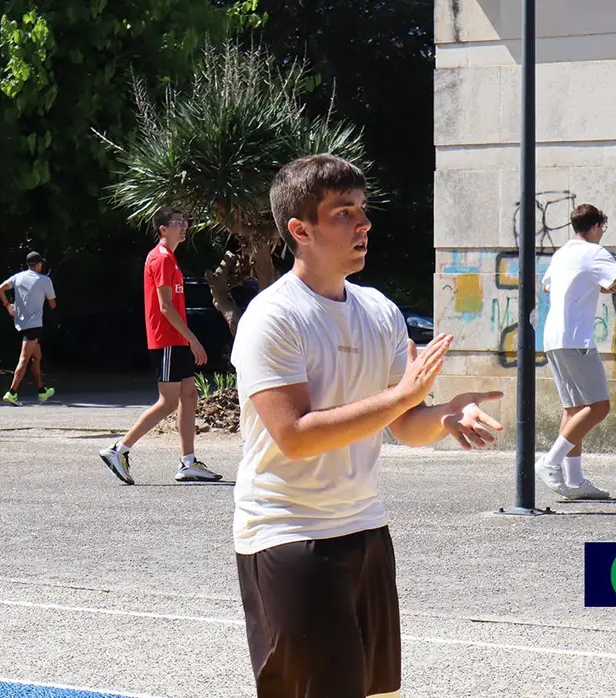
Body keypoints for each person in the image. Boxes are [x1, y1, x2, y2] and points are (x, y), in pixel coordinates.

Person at [229, 154, 504, 698]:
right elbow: (296, 435)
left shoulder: (379, 310)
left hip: (365, 531)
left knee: (379, 695)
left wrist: (445, 416)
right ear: (300, 231)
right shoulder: (273, 316)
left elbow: (402, 424)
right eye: (344, 212)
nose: (364, 223)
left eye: (363, 209)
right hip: (290, 536)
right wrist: (402, 396)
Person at [98, 206, 222, 485]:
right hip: (167, 339)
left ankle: (188, 463)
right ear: (162, 229)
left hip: (176, 340)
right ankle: (118, 450)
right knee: (169, 402)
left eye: (185, 221)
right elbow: (165, 307)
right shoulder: (162, 259)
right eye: (177, 222)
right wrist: (193, 338)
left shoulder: (171, 259)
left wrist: (186, 339)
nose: (184, 226)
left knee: (189, 396)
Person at [536, 203, 616, 500]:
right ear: (595, 227)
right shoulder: (594, 253)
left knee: (574, 410)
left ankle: (576, 481)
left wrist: (599, 286)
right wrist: (614, 284)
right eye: (602, 228)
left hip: (553, 337)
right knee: (598, 406)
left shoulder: (562, 253)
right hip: (577, 339)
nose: (602, 234)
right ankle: (550, 461)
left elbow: (548, 288)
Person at [0, 251, 57, 406]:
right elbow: (53, 304)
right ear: (38, 264)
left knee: (37, 357)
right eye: (41, 263)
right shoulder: (44, 280)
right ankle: (12, 392)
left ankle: (41, 391)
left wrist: (8, 306)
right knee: (24, 359)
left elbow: (0, 289)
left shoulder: (17, 277)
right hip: (34, 325)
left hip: (21, 323)